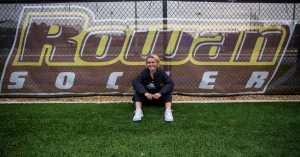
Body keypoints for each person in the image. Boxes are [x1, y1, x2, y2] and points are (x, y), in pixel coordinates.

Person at [132, 54, 175, 122]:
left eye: (153, 62)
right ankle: (138, 111)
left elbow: (170, 84)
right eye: (149, 62)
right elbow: (136, 82)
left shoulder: (162, 73)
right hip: (146, 99)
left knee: (167, 91)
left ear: (157, 63)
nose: (151, 64)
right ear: (146, 64)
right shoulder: (144, 72)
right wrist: (145, 93)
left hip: (159, 100)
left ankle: (168, 111)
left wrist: (160, 93)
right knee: (138, 90)